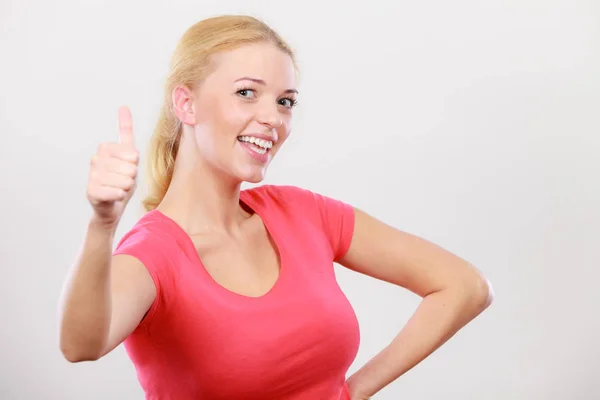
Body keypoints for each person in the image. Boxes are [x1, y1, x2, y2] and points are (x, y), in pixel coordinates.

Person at [57, 14, 493, 400]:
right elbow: (80, 345)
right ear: (186, 104)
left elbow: (464, 286)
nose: (274, 119)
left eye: (285, 101)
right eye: (247, 93)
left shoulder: (304, 214)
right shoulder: (155, 253)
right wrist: (102, 224)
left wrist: (356, 391)